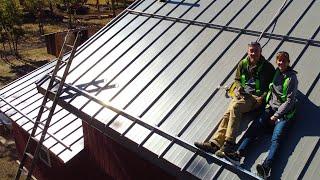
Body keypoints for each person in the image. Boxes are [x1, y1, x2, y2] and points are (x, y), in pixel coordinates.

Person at [194, 42, 275, 161]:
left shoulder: (268, 67)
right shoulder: (243, 64)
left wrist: (262, 98)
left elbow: (272, 85)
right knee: (228, 113)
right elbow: (237, 79)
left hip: (255, 98)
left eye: (256, 51)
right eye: (251, 51)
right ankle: (215, 144)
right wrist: (237, 88)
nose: (253, 53)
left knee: (235, 107)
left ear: (260, 52)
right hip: (242, 95)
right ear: (248, 52)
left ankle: (229, 144)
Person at [232, 51, 298, 178]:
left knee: (276, 139)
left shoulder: (292, 79)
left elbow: (289, 101)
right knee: (255, 127)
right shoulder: (277, 72)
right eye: (279, 60)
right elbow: (270, 88)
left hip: (284, 114)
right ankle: (239, 154)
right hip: (271, 108)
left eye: (284, 60)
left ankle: (266, 168)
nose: (281, 62)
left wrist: (276, 115)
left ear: (288, 62)